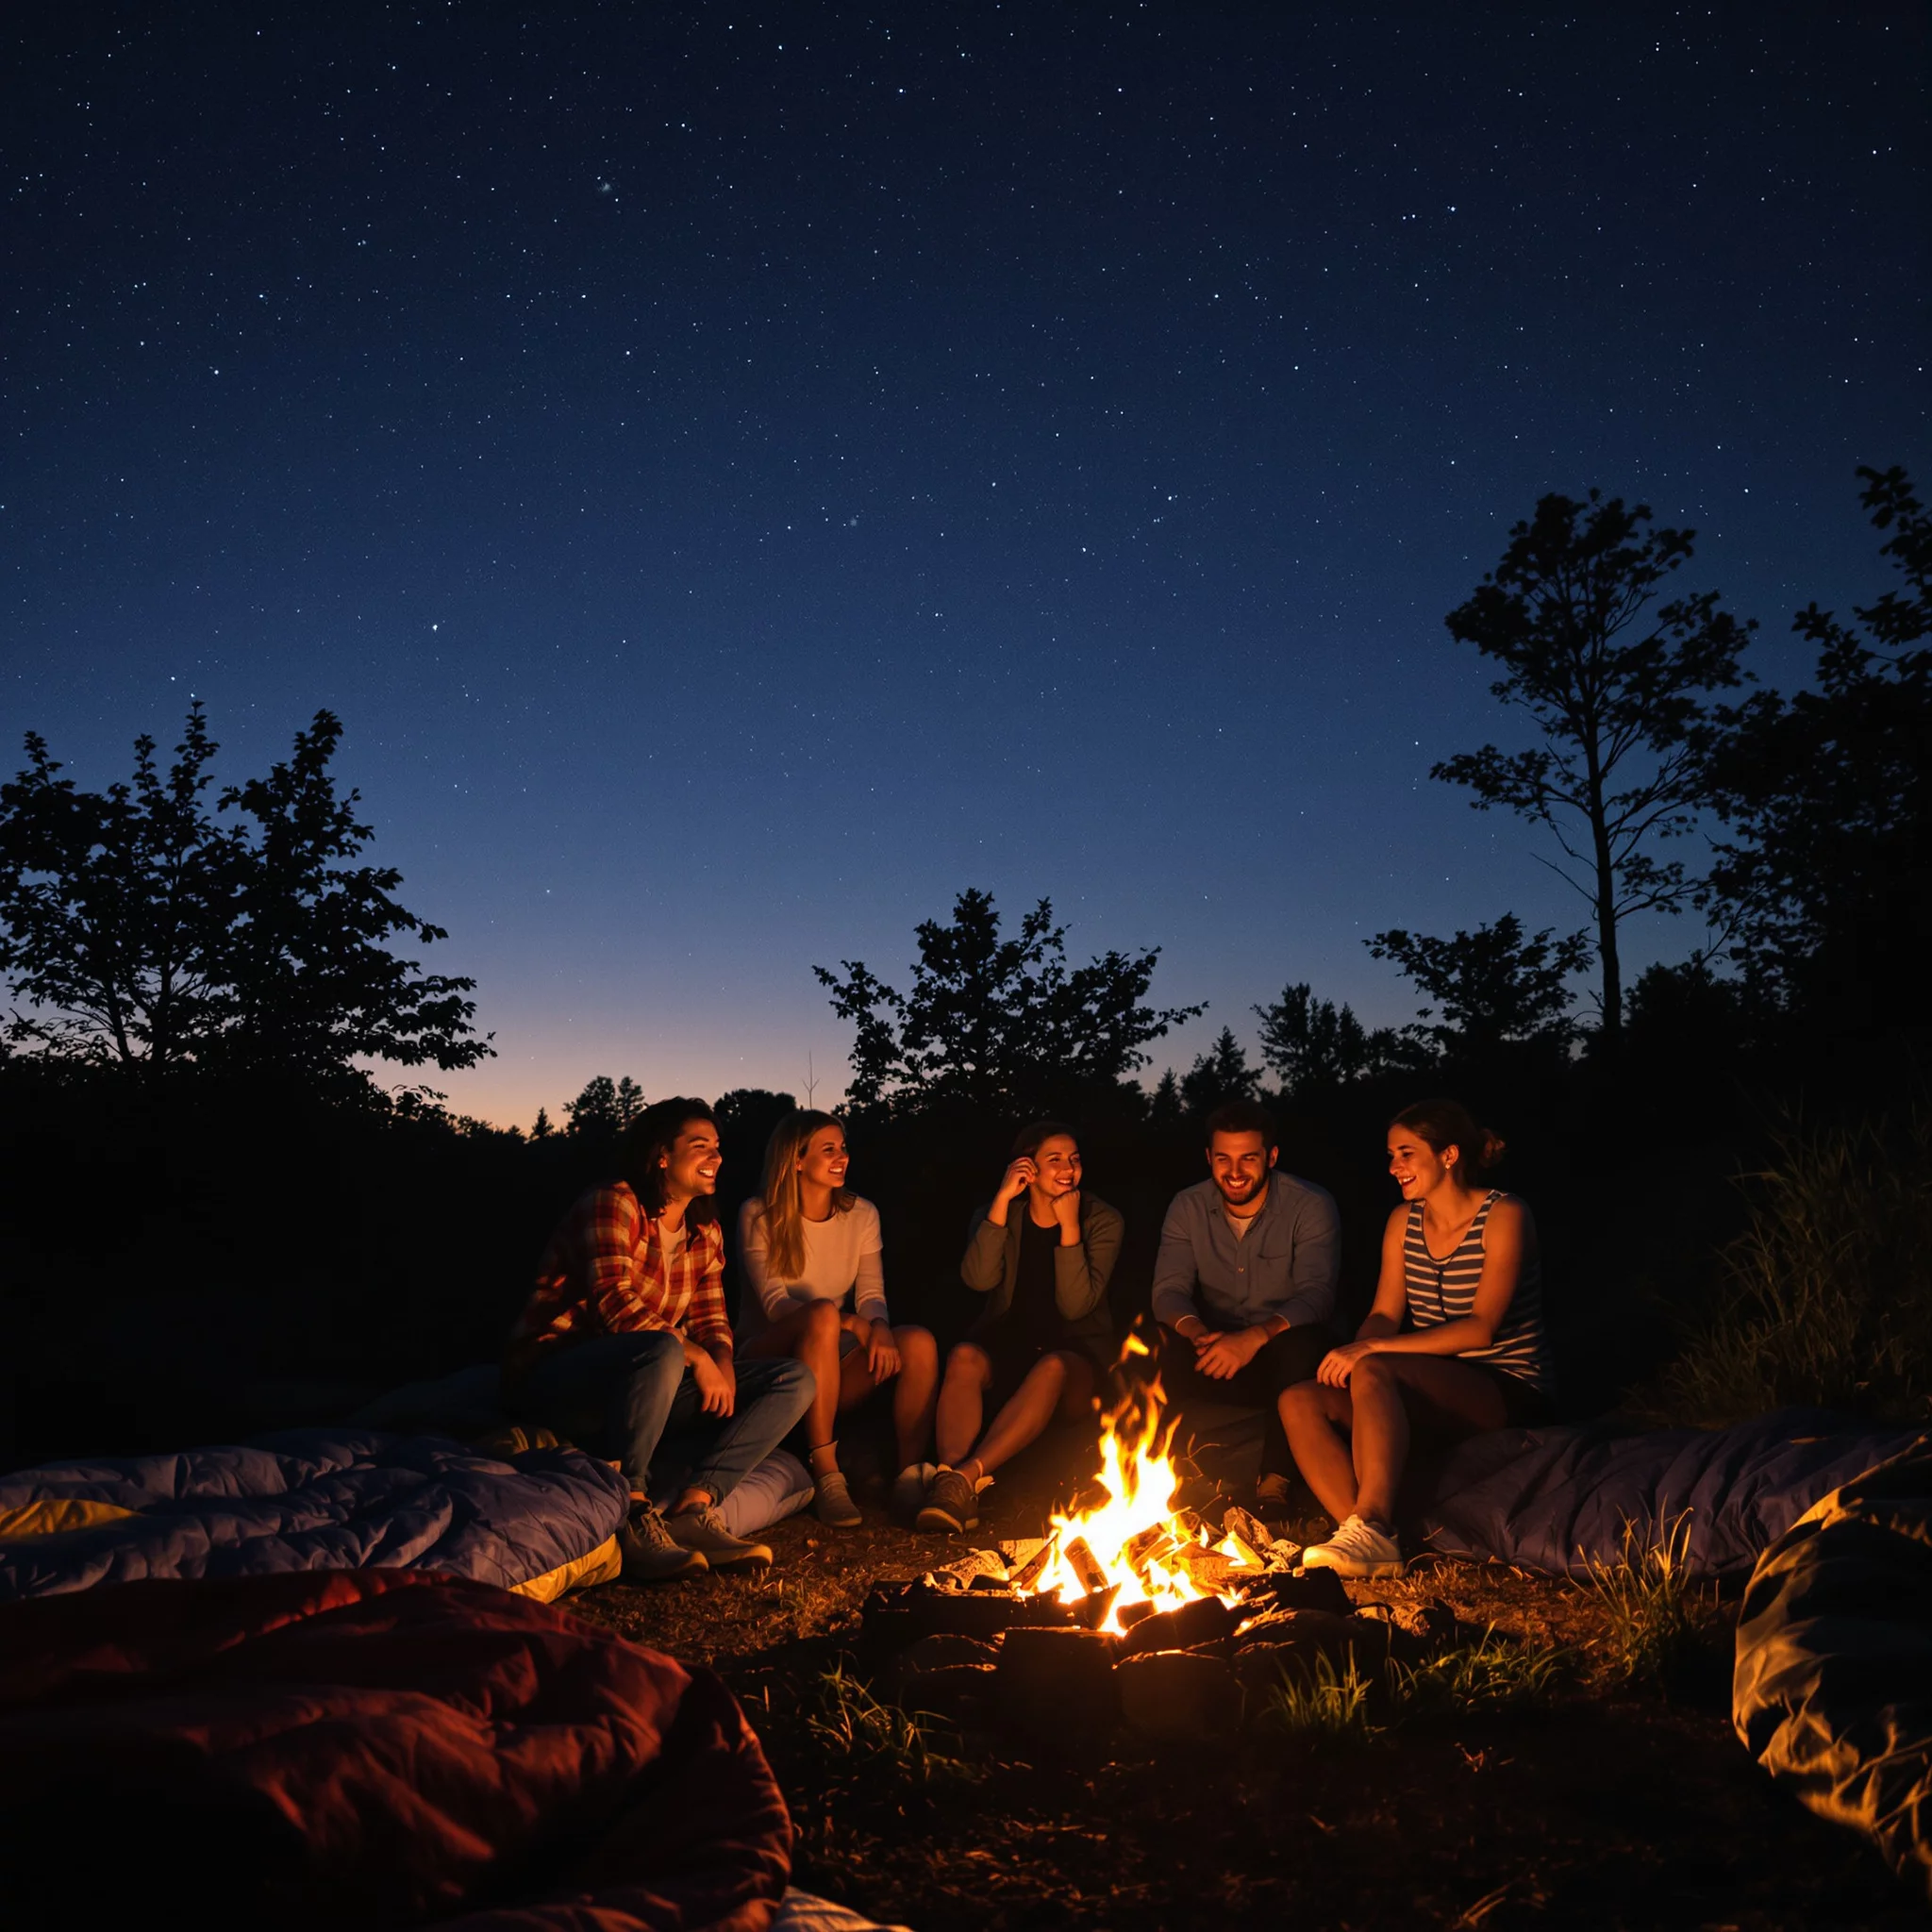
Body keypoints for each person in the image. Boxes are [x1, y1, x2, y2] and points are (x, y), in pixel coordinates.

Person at [502, 1097, 816, 1580]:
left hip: (648, 1382)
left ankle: (695, 1506)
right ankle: (630, 1504)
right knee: (666, 1347)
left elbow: (712, 1317)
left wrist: (724, 1363)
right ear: (662, 1155)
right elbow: (614, 1306)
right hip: (561, 1375)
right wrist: (695, 1356)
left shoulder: (704, 1231)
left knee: (793, 1378)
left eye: (717, 1146)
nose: (716, 1157)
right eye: (700, 1146)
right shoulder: (614, 1203)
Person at [1281, 1098, 1557, 1578]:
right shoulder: (1403, 1222)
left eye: (1406, 1154)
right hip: (1433, 1375)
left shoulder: (1505, 1214)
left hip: (1506, 1382)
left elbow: (1481, 1327)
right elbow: (1385, 1315)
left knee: (1373, 1365)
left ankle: (1372, 1523)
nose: (1394, 1167)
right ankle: (1366, 1534)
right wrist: (1355, 1351)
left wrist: (1370, 1352)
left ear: (1448, 1155)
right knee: (1298, 1400)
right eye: (1390, 1156)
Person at [917, 1122, 1123, 1534]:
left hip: (1075, 1352)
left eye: (1074, 1159)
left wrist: (1069, 1227)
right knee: (964, 1357)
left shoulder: (1101, 1220)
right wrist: (1000, 1200)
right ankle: (952, 1487)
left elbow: (1076, 1304)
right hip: (1012, 1341)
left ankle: (965, 1477)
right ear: (1026, 1167)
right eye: (1055, 1160)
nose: (1068, 1169)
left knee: (1052, 1368)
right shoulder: (997, 1212)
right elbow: (977, 1280)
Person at [737, 1110, 940, 1527]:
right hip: (765, 1356)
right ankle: (828, 1472)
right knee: (824, 1315)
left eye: (843, 1147)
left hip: (830, 1356)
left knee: (917, 1342)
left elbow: (871, 1294)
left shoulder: (862, 1214)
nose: (842, 1157)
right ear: (796, 1159)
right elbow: (775, 1304)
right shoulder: (760, 1214)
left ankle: (907, 1476)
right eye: (828, 1149)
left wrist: (878, 1326)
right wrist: (851, 1323)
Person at [1149, 1098, 1341, 1513]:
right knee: (1148, 1343)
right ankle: (1141, 1475)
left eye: (1248, 1159)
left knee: (1306, 1345)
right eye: (1224, 1159)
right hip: (1214, 1349)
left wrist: (1254, 1338)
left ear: (1271, 1156)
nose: (1235, 1173)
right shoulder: (1188, 1206)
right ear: (1209, 1158)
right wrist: (1196, 1333)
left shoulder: (1309, 1205)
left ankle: (1274, 1484)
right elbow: (1168, 1291)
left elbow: (1317, 1295)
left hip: (1280, 1349)